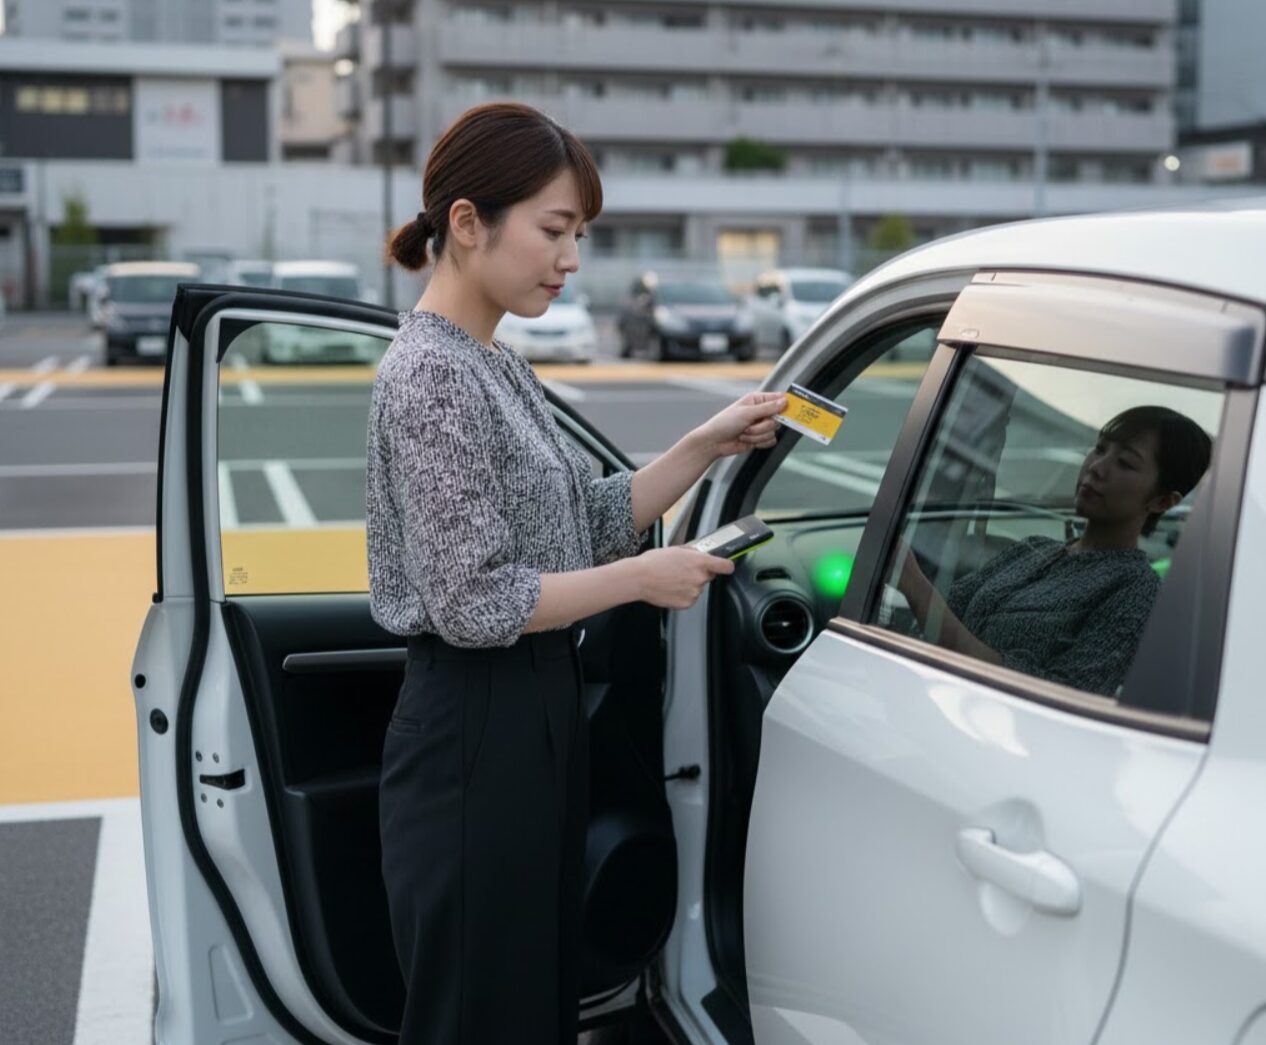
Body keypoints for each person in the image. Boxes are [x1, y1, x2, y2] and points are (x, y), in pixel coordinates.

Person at [363, 101, 787, 1045]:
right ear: (468, 223)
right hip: (474, 727)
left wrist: (705, 443)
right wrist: (645, 581)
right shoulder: (431, 373)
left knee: (530, 999)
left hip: (528, 719)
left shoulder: (493, 365)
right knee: (483, 1012)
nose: (570, 259)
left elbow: (583, 525)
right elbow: (476, 602)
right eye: (555, 230)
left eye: (579, 235)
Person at [895, 405, 1213, 696]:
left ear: (1163, 501)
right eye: (1099, 449)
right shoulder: (1034, 548)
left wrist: (911, 581)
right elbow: (934, 621)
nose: (1097, 468)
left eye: (1126, 463)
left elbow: (1058, 695)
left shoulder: (1136, 591)